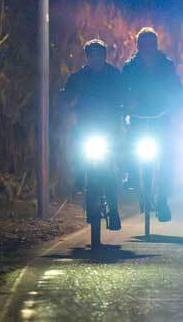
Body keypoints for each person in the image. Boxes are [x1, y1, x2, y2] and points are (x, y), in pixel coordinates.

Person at [121, 27, 183, 222]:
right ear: (138, 45)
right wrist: (125, 105)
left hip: (161, 118)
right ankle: (131, 176)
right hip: (138, 118)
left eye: (151, 44)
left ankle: (163, 200)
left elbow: (177, 90)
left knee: (167, 158)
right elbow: (122, 89)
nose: (148, 48)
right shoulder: (130, 67)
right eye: (144, 44)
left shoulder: (167, 65)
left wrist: (174, 106)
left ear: (156, 45)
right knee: (130, 148)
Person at [60, 39, 124, 230]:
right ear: (87, 57)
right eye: (92, 55)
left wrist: (126, 105)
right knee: (79, 154)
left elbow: (125, 94)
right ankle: (79, 183)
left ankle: (114, 211)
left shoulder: (114, 75)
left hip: (109, 129)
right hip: (86, 127)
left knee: (110, 169)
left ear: (105, 56)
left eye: (100, 55)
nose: (96, 59)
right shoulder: (78, 77)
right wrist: (63, 103)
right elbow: (67, 95)